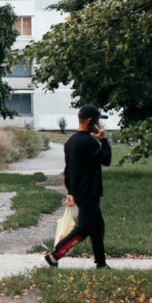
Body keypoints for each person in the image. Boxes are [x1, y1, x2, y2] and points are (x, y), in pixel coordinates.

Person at [45, 104, 112, 269]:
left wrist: (70, 191)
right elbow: (106, 159)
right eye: (97, 121)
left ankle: (101, 263)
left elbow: (68, 170)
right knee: (85, 228)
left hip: (81, 192)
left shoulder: (70, 142)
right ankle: (55, 255)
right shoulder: (89, 142)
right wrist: (103, 139)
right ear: (90, 121)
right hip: (89, 192)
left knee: (97, 226)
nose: (99, 125)